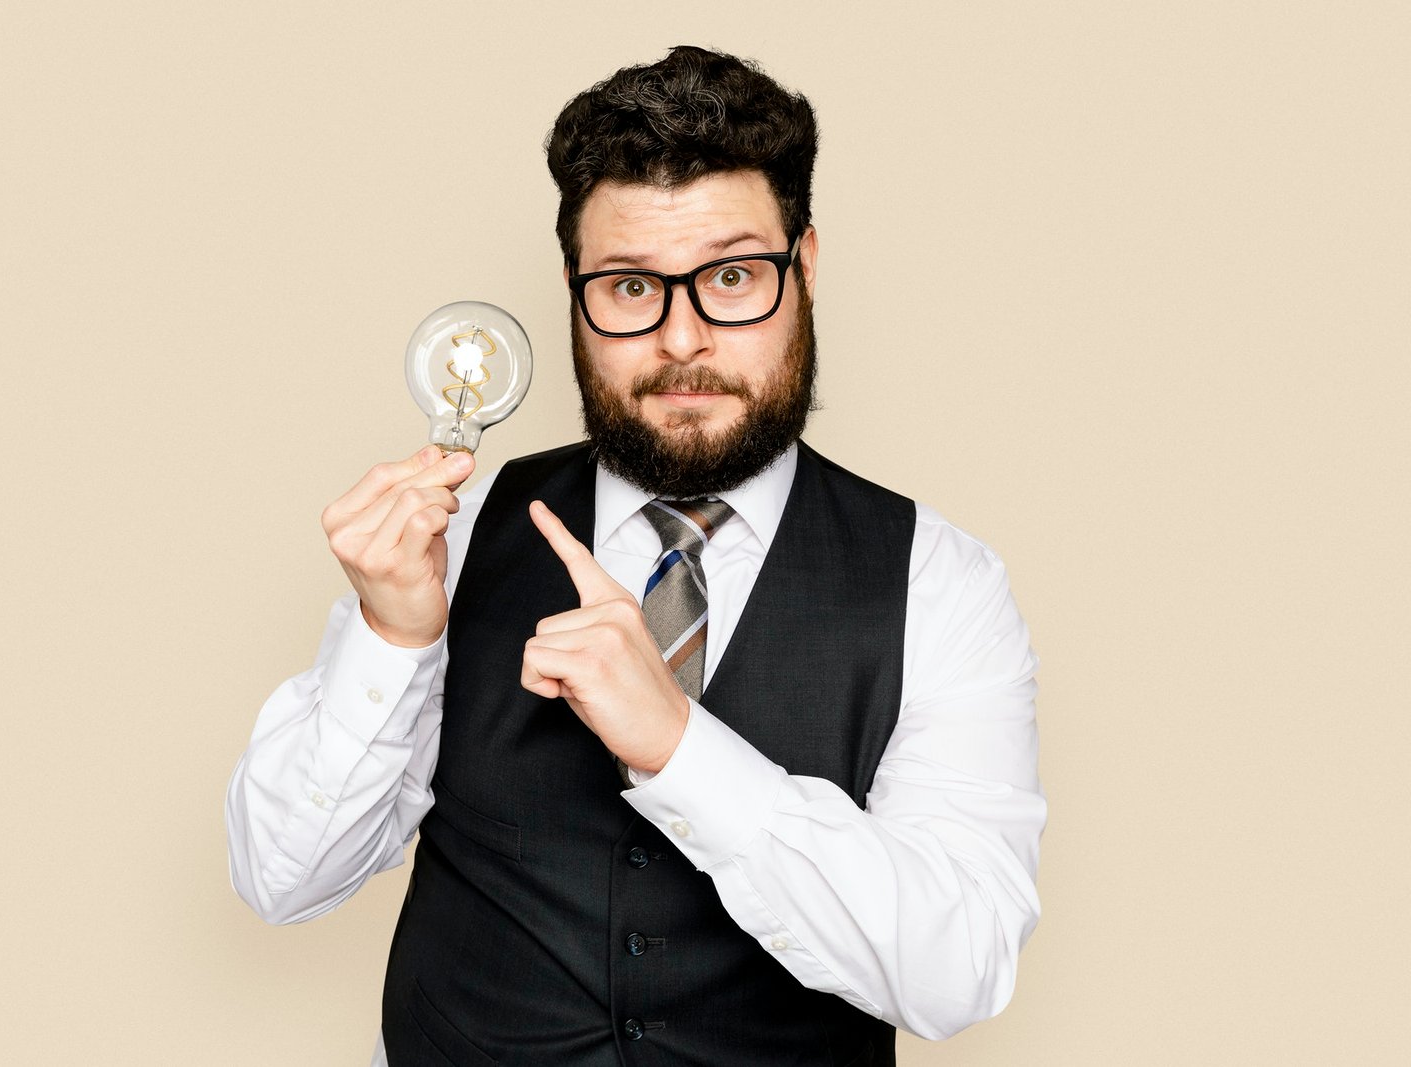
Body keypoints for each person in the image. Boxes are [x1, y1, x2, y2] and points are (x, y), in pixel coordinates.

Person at [226, 45, 1044, 1067]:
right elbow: (283, 877)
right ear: (574, 292)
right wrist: (392, 637)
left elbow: (957, 966)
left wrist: (677, 743)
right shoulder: (466, 532)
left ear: (808, 269)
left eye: (734, 276)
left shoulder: (940, 581)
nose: (682, 338)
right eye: (628, 287)